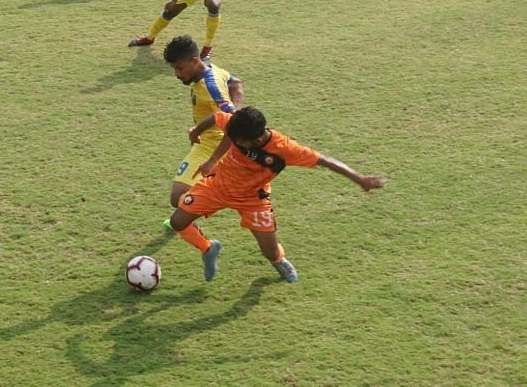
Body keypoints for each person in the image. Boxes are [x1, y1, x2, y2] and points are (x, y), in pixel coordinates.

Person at [163, 107, 385, 283]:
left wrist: (359, 179)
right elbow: (216, 117)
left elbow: (324, 160)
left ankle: (279, 261)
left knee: (269, 251)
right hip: (217, 186)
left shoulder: (284, 148)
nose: (234, 143)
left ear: (255, 139)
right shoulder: (238, 126)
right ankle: (208, 248)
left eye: (238, 141)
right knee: (178, 221)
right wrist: (195, 131)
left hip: (253, 199)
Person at [162, 35, 243, 208]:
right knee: (183, 199)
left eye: (180, 68)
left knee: (178, 198)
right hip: (205, 143)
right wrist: (236, 108)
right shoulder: (212, 70)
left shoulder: (211, 88)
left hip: (212, 147)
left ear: (195, 61)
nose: (177, 74)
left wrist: (213, 160)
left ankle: (190, 223)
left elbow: (235, 126)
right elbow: (235, 83)